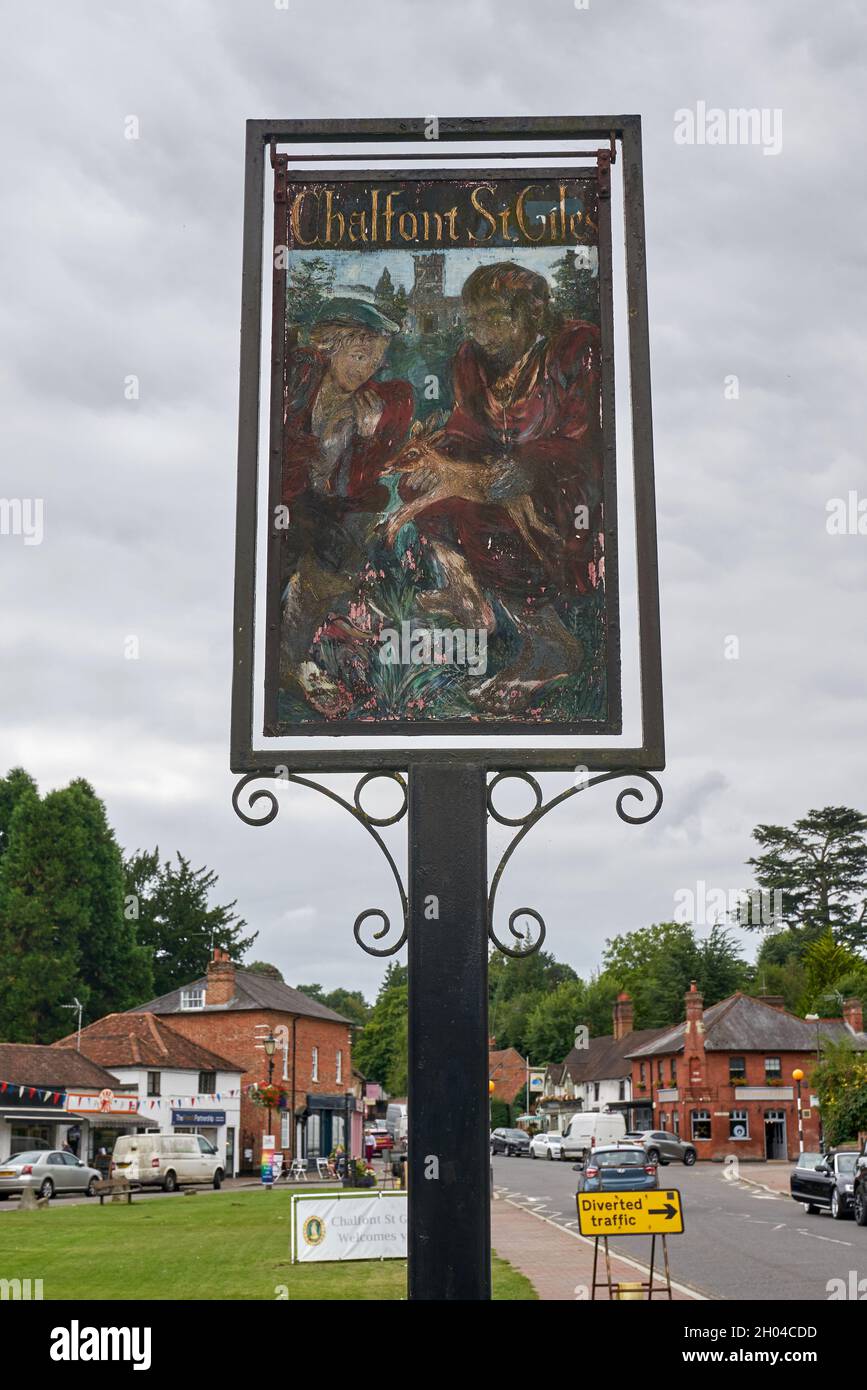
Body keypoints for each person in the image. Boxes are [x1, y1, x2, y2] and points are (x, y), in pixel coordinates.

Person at [386, 262, 602, 713]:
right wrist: (441, 459)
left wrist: (529, 465)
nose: (482, 332)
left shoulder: (574, 348)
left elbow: (587, 440)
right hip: (500, 474)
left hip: (563, 484)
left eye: (495, 317)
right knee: (421, 488)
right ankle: (467, 596)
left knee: (483, 516)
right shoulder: (472, 358)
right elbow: (467, 430)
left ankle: (550, 644)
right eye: (474, 319)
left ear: (531, 312)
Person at [279, 298, 413, 715]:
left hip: (327, 509)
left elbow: (358, 485)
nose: (366, 368)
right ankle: (285, 654)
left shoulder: (373, 403)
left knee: (340, 545)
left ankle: (297, 650)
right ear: (330, 346)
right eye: (358, 355)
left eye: (375, 358)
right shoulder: (299, 382)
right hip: (284, 501)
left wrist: (367, 438)